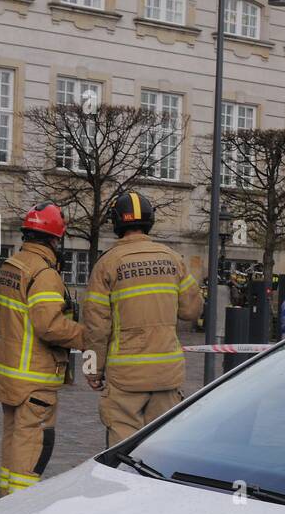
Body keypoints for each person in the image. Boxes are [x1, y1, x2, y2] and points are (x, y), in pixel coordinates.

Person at [84, 191, 202, 446]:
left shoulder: (107, 264)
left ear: (116, 223)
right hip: (166, 373)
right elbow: (192, 311)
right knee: (161, 445)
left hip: (126, 376)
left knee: (123, 445)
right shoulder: (173, 259)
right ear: (150, 220)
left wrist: (92, 368)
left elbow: (96, 326)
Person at [0, 203, 85, 496]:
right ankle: (18, 509)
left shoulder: (14, 264)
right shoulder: (44, 274)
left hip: (11, 374)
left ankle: (4, 503)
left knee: (14, 442)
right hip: (34, 377)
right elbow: (50, 326)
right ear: (55, 239)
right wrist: (87, 335)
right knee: (33, 447)